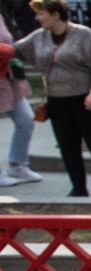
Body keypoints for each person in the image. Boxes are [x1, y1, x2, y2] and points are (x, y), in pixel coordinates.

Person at [15, 0, 91, 197]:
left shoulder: (83, 34)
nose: (37, 18)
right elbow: (15, 50)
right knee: (67, 145)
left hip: (85, 99)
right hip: (57, 101)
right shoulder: (39, 36)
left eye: (41, 14)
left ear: (55, 13)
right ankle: (78, 187)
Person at [0, 9, 43, 186]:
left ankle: (17, 164)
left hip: (8, 78)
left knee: (26, 120)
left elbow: (8, 43)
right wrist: (8, 50)